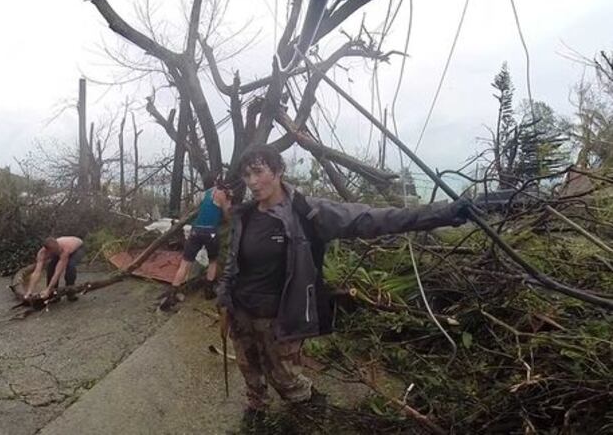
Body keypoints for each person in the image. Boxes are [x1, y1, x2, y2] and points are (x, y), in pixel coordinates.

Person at [215, 145, 472, 428]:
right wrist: (223, 300)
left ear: (278, 171)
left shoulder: (307, 212)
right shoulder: (246, 215)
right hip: (241, 312)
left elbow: (371, 218)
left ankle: (310, 408)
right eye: (247, 175)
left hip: (280, 318)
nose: (252, 182)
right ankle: (257, 410)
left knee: (286, 379)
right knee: (249, 369)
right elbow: (233, 261)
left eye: (259, 172)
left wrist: (442, 214)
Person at [166, 184, 232, 304]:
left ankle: (172, 294)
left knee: (185, 263)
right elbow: (227, 215)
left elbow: (200, 209)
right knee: (212, 261)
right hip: (210, 231)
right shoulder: (222, 194)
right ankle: (208, 291)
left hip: (195, 230)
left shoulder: (205, 193)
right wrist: (229, 201)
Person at [24, 236, 85, 302]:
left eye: (58, 248)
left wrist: (48, 289)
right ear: (48, 250)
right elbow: (36, 272)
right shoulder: (41, 253)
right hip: (62, 249)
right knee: (51, 267)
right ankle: (53, 295)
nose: (59, 250)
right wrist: (29, 291)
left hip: (78, 248)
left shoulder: (64, 249)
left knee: (70, 266)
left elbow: (58, 273)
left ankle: (70, 292)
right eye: (56, 250)